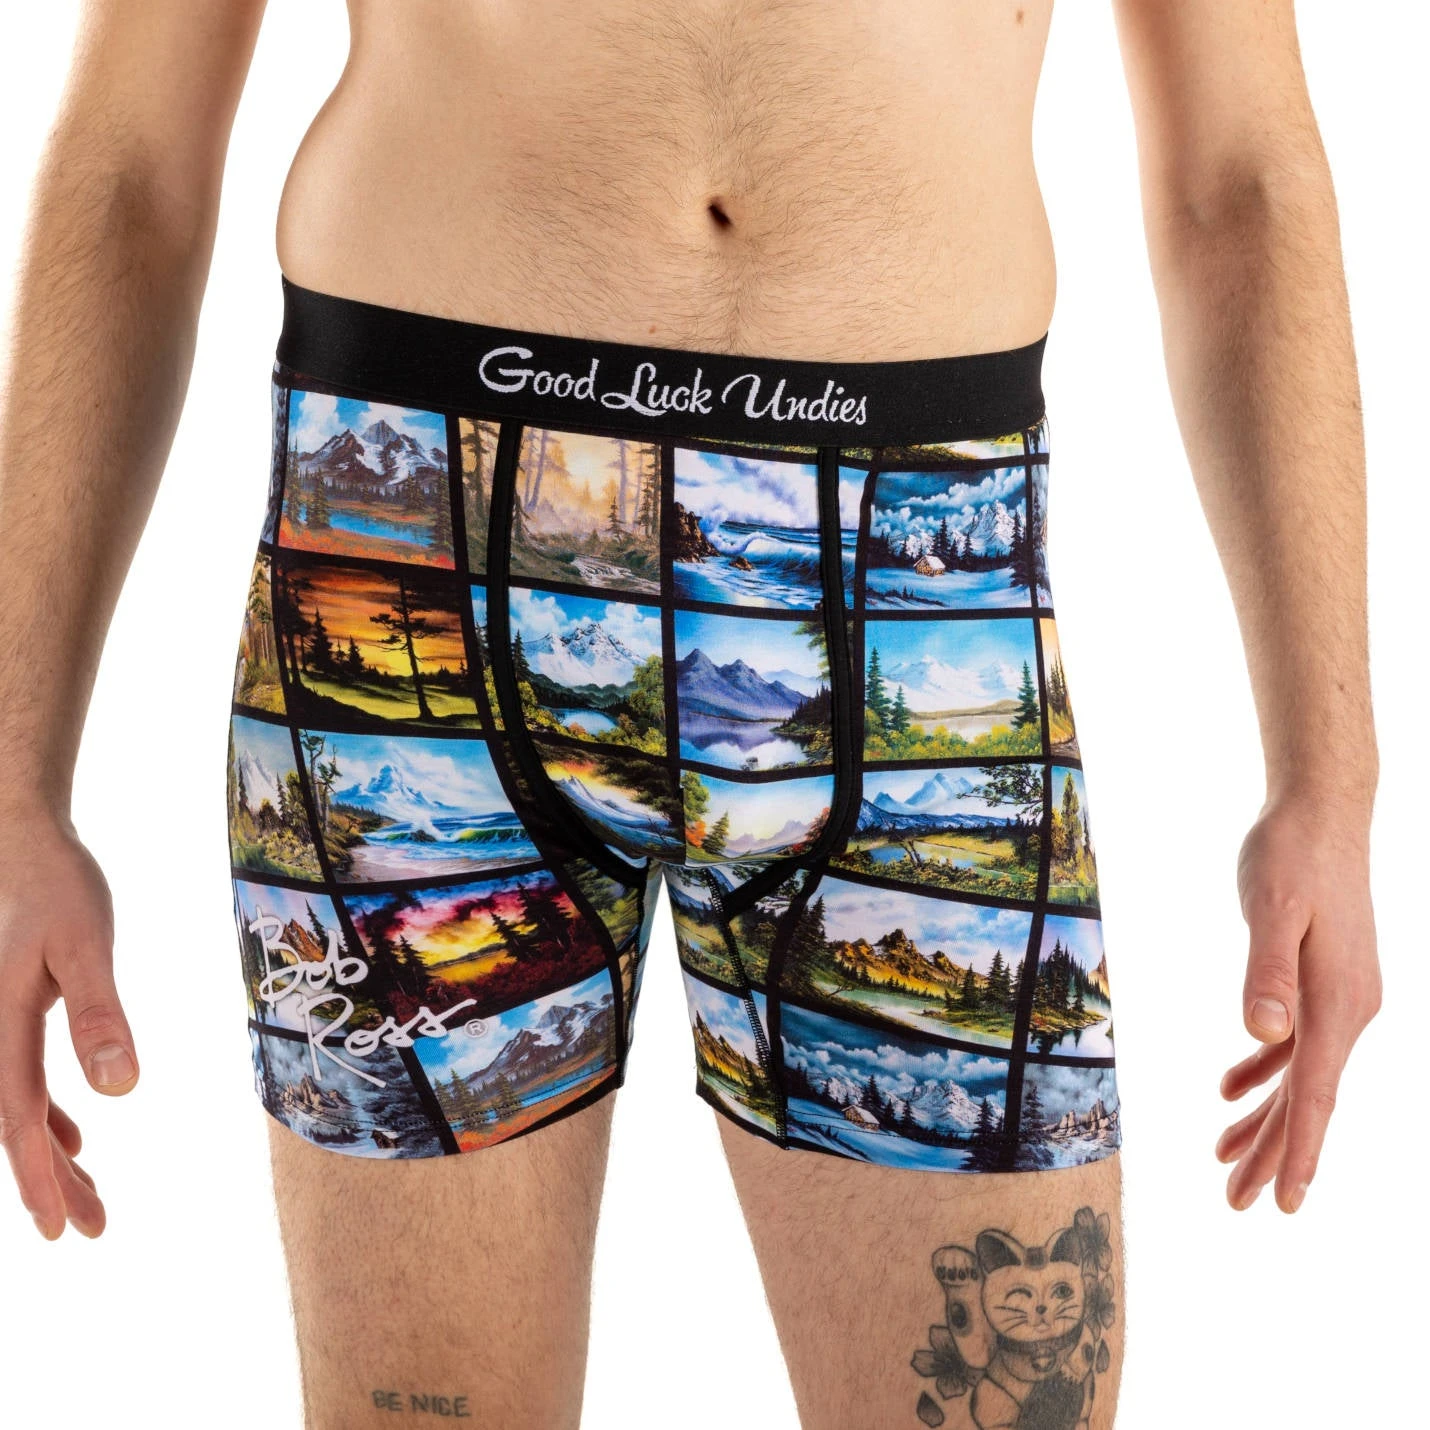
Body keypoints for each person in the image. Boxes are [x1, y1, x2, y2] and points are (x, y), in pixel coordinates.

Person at [0, 3, 1381, 1428]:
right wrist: (14, 790)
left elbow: (1239, 181)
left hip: (917, 593)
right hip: (412, 556)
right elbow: (130, 162)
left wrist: (1329, 783)